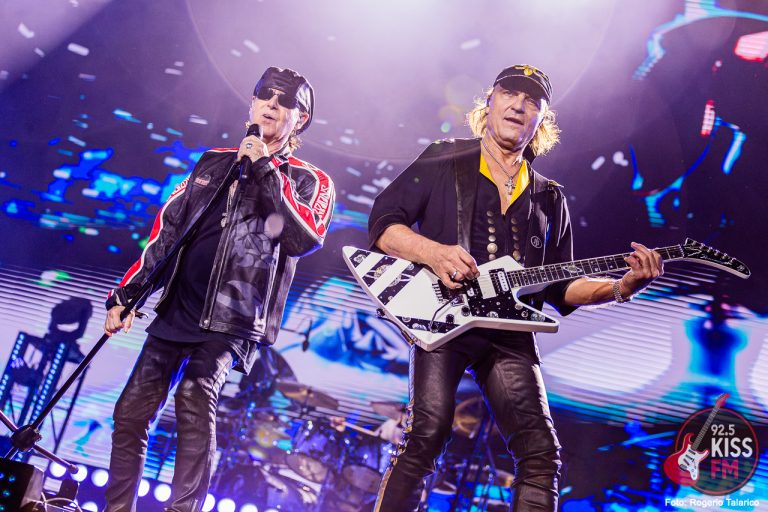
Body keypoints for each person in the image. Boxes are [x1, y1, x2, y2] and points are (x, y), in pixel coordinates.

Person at [368, 64, 663, 511]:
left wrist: (623, 286)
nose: (518, 105)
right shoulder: (444, 158)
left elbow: (560, 288)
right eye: (509, 93)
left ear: (541, 119)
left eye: (531, 101)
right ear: (489, 102)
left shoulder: (549, 197)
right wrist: (433, 253)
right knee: (428, 433)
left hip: (508, 332)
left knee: (541, 454)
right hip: (442, 318)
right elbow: (384, 224)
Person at [101, 66, 335, 512]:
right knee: (130, 413)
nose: (271, 104)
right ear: (252, 102)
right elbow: (167, 232)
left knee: (195, 394)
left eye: (285, 100)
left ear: (300, 118)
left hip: (234, 318)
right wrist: (127, 297)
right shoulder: (212, 162)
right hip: (178, 308)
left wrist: (263, 166)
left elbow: (301, 237)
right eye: (265, 95)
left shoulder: (311, 181)